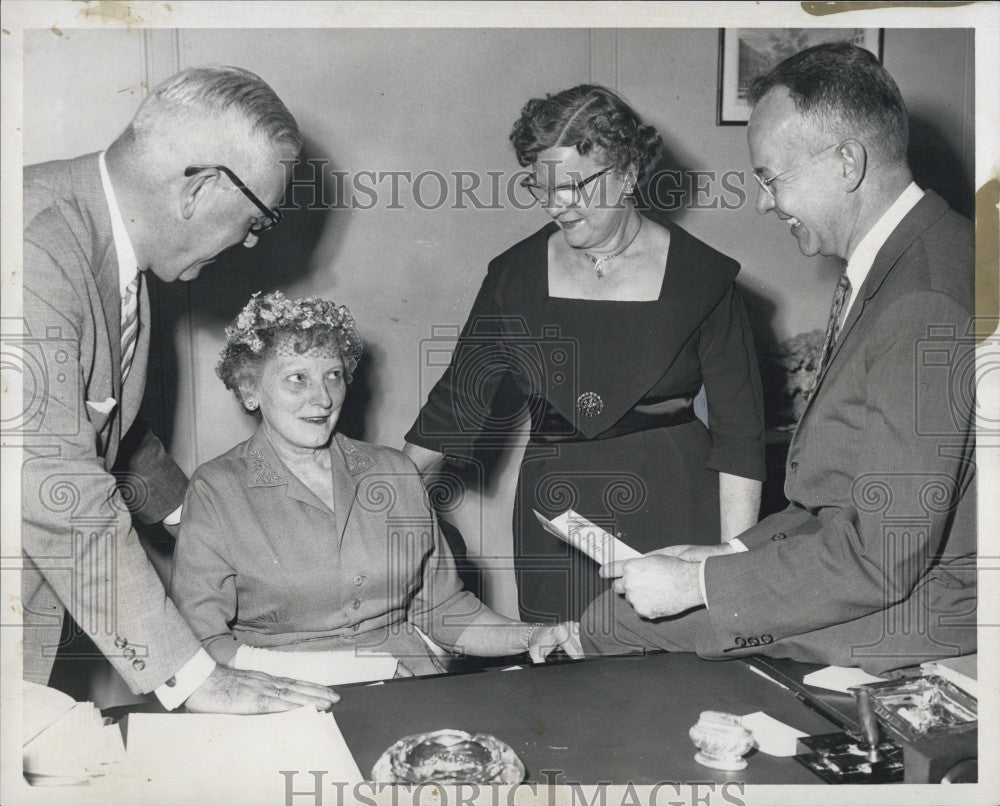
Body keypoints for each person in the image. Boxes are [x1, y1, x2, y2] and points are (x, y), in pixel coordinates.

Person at [583, 42, 977, 675]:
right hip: (896, 575)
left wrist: (700, 586)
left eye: (771, 178)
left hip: (934, 610)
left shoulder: (923, 299)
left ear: (847, 162)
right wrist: (724, 554)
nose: (764, 203)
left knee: (611, 623)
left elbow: (884, 556)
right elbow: (840, 496)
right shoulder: (923, 251)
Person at [21, 66, 336, 713]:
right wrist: (193, 678)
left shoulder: (115, 250)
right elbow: (52, 479)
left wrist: (212, 530)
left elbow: (114, 434)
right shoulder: (33, 245)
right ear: (201, 189)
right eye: (259, 220)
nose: (251, 242)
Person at [404, 85, 765, 623]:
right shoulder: (514, 276)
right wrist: (376, 502)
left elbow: (740, 440)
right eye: (541, 187)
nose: (556, 205)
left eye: (574, 186)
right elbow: (454, 408)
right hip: (555, 521)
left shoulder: (705, 278)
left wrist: (728, 572)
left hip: (674, 514)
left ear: (628, 172)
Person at [169, 292, 583, 682]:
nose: (323, 399)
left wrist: (530, 637)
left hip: (410, 688)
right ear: (249, 390)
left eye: (333, 376)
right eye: (297, 379)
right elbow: (201, 641)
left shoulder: (393, 471)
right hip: (283, 693)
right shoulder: (217, 490)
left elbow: (443, 609)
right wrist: (347, 671)